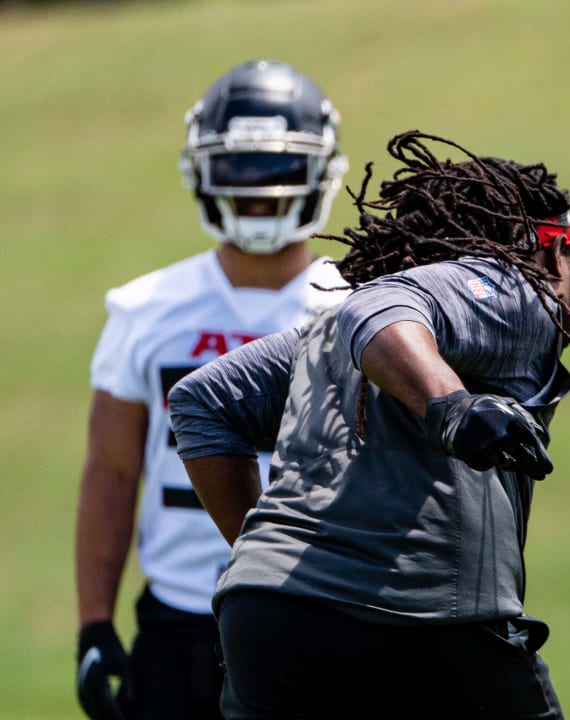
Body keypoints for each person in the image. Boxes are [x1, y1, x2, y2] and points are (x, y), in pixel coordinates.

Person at [165, 131, 570, 719]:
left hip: (268, 621)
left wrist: (269, 562)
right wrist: (454, 407)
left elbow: (204, 400)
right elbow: (378, 309)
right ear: (555, 252)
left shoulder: (329, 331)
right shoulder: (520, 288)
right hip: (422, 621)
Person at [73, 59, 350, 720]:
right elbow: (112, 473)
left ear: (322, 171)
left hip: (324, 610)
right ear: (204, 170)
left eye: (279, 170)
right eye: (242, 170)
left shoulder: (361, 305)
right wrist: (93, 623)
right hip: (180, 623)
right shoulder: (147, 307)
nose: (260, 193)